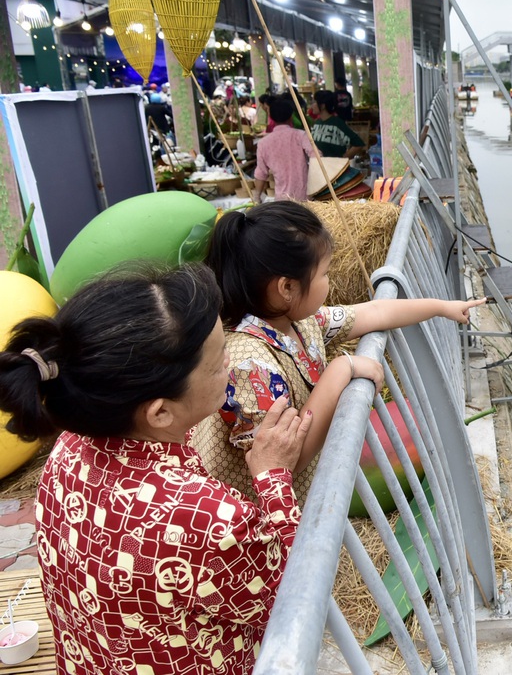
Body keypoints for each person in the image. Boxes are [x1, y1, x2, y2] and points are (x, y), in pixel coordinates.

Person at [0, 263, 312, 673]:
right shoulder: (206, 518)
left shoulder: (69, 450)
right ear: (161, 412)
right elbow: (294, 599)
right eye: (219, 363)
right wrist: (273, 476)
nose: (230, 369)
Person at [191, 201, 485, 501]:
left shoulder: (298, 322)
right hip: (255, 528)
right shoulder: (248, 367)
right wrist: (339, 371)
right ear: (287, 288)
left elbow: (374, 313)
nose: (329, 282)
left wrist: (440, 308)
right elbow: (288, 462)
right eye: (325, 274)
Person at [253, 97, 313, 201]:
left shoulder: (263, 143)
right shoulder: (301, 135)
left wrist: (256, 197)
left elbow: (261, 174)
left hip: (282, 200)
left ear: (271, 117)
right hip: (305, 197)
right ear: (291, 116)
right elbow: (316, 156)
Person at [310, 89, 364, 159]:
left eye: (314, 102)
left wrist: (343, 159)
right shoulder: (317, 123)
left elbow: (358, 144)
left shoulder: (337, 124)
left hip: (335, 168)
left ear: (323, 106)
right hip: (319, 167)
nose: (312, 105)